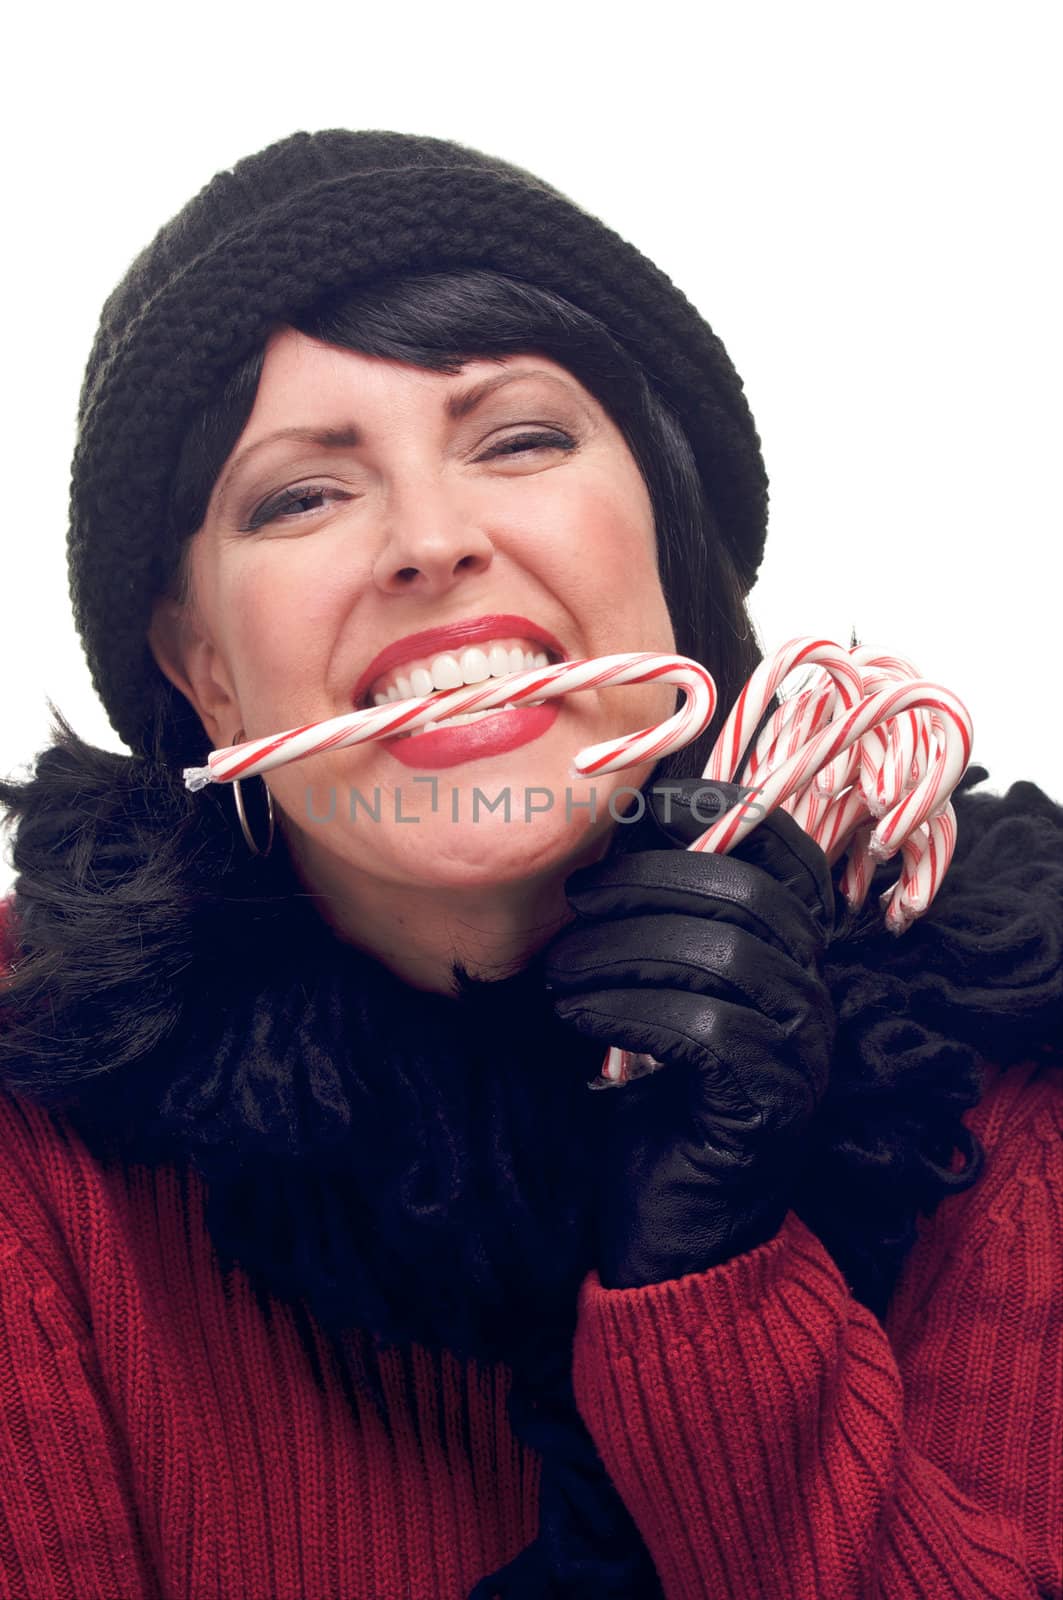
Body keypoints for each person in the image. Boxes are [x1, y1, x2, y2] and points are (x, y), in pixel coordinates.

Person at [0, 129, 1059, 1600]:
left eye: (519, 439)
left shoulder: (991, 1057)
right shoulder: (28, 1108)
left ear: (674, 552)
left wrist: (716, 1288)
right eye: (301, 495)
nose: (430, 540)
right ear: (206, 677)